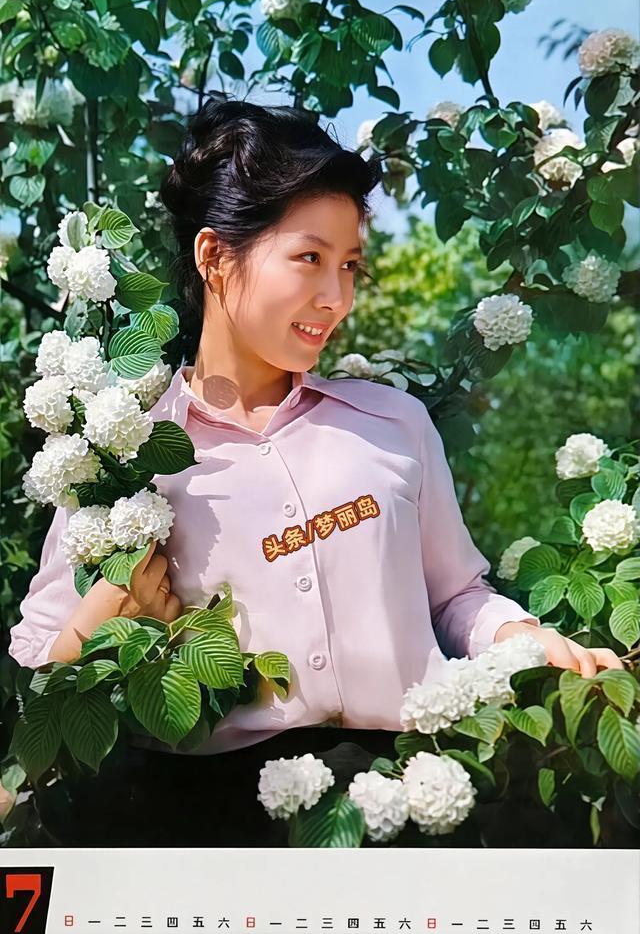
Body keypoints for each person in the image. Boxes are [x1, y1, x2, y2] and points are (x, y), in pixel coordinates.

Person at [8, 94, 625, 846]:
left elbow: (457, 595)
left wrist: (521, 636)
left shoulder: (393, 426)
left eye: (350, 265)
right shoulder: (127, 457)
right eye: (309, 258)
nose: (336, 298)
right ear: (214, 256)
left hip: (407, 804)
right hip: (207, 828)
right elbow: (43, 670)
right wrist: (112, 607)